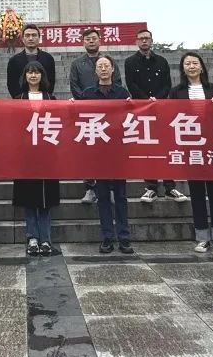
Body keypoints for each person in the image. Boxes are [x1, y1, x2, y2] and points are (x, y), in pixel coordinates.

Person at [167, 52, 213, 253]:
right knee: (197, 192)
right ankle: (202, 237)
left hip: (212, 146)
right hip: (190, 146)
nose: (191, 66)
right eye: (187, 63)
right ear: (183, 69)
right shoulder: (176, 92)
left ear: (201, 67)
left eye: (195, 63)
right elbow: (169, 115)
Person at [76, 55, 135, 255]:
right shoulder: (87, 94)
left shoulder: (122, 93)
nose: (103, 69)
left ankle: (124, 238)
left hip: (118, 152)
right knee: (102, 197)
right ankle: (107, 237)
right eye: (100, 66)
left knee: (120, 197)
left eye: (106, 66)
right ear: (95, 71)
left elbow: (130, 118)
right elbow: (80, 118)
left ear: (112, 70)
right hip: (98, 154)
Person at [124, 29, 187, 204]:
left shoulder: (162, 61)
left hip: (161, 108)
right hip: (142, 110)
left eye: (147, 38)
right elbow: (131, 84)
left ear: (151, 41)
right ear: (136, 41)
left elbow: (167, 83)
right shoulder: (130, 62)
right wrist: (147, 101)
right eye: (141, 38)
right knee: (147, 148)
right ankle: (150, 186)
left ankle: (169, 186)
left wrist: (157, 100)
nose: (144, 41)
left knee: (165, 146)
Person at [12, 61, 61, 256]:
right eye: (30, 72)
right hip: (26, 156)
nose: (33, 76)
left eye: (37, 72)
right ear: (25, 76)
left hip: (47, 155)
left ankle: (46, 239)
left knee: (46, 200)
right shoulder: (18, 99)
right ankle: (32, 237)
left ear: (42, 75)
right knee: (29, 199)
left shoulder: (51, 98)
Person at [68, 28, 120, 205]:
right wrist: (87, 101)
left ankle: (110, 187)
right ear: (83, 42)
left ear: (100, 40)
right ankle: (90, 188)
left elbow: (117, 83)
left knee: (109, 151)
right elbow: (74, 85)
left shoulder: (109, 62)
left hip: (108, 113)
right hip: (86, 113)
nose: (91, 41)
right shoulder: (77, 64)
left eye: (94, 38)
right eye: (88, 39)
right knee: (88, 152)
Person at [6, 23, 56, 98]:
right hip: (21, 99)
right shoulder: (14, 61)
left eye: (34, 35)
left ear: (39, 38)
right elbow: (11, 84)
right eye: (27, 35)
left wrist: (45, 97)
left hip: (43, 99)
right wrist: (20, 98)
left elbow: (51, 82)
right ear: (22, 39)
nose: (30, 38)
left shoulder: (48, 59)